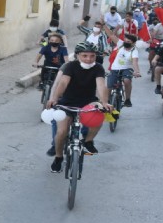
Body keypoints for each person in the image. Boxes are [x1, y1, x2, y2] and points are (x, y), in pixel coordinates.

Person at [46, 42, 112, 173]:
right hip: (68, 102)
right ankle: (58, 157)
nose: (89, 59)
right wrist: (54, 98)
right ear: (77, 55)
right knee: (61, 132)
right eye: (85, 56)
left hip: (88, 102)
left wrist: (104, 102)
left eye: (92, 56)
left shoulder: (98, 67)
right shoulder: (70, 66)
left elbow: (100, 85)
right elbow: (63, 82)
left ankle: (88, 141)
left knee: (100, 114)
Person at [105, 31, 141, 107]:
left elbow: (135, 62)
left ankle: (127, 99)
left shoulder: (134, 51)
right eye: (125, 41)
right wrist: (104, 25)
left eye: (128, 41)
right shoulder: (120, 45)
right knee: (109, 85)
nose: (126, 42)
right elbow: (111, 34)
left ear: (133, 43)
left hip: (127, 69)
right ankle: (107, 101)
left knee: (127, 80)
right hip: (115, 69)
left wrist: (137, 72)